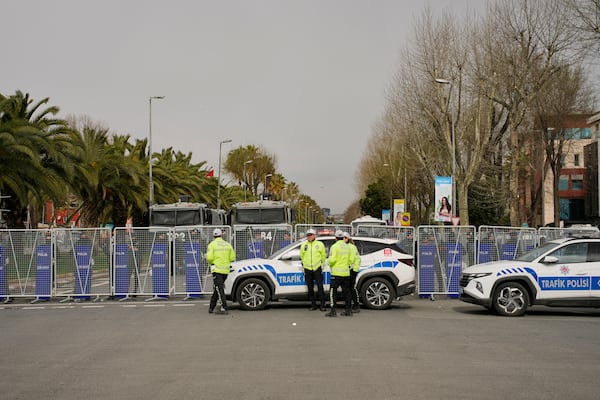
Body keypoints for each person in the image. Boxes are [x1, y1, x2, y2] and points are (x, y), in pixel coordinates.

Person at [206, 228, 235, 315]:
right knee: (218, 288)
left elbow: (210, 258)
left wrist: (211, 263)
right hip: (225, 271)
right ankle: (211, 307)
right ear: (221, 235)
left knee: (219, 289)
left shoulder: (212, 245)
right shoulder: (227, 244)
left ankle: (224, 307)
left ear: (213, 236)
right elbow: (232, 258)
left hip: (216, 270)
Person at [325, 230, 353, 317]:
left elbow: (332, 259)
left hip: (336, 274)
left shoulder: (334, 247)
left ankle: (333, 311)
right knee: (347, 293)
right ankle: (348, 310)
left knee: (333, 292)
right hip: (346, 273)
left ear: (336, 238)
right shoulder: (348, 247)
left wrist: (328, 262)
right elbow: (351, 260)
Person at [299, 228, 326, 311]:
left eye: (311, 235)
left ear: (314, 235)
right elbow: (302, 256)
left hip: (317, 268)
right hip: (308, 269)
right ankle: (313, 305)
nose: (309, 237)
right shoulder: (304, 245)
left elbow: (323, 256)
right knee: (310, 288)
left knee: (320, 287)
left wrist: (321, 265)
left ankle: (322, 305)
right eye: (308, 235)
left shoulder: (320, 244)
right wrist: (304, 265)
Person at [344, 232, 361, 313]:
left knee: (351, 288)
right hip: (351, 269)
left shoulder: (351, 247)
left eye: (345, 238)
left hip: (352, 269)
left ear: (348, 239)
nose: (343, 239)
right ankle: (352, 305)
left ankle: (356, 305)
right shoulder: (350, 246)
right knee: (350, 288)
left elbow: (350, 259)